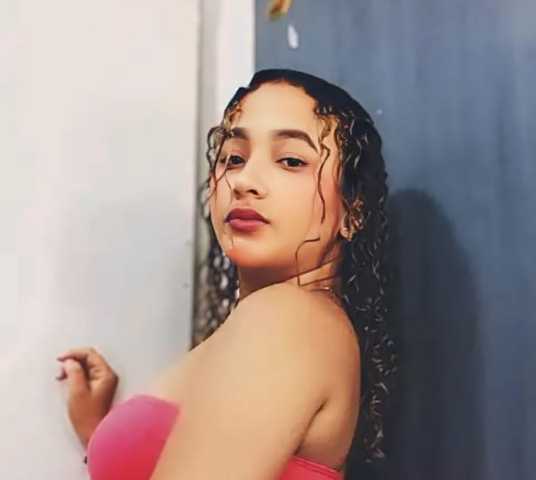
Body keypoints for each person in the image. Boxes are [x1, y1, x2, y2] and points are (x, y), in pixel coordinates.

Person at [56, 69, 398, 479]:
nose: (243, 181)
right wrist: (102, 435)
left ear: (353, 212)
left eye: (291, 161)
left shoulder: (288, 319)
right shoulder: (279, 323)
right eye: (234, 158)